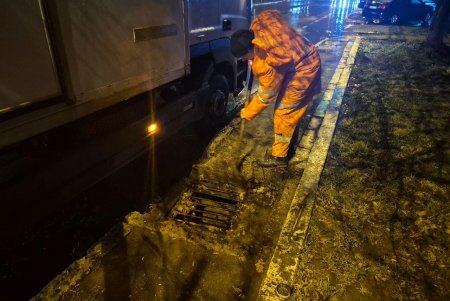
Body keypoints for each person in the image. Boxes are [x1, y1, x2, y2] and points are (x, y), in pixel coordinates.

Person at [230, 10, 321, 167]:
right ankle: (289, 141)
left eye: (244, 57)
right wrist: (253, 58)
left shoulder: (269, 62)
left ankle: (279, 158)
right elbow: (271, 14)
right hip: (300, 55)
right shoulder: (260, 26)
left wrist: (248, 112)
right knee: (289, 111)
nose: (242, 60)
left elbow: (266, 96)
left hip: (304, 70)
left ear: (252, 49)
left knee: (284, 111)